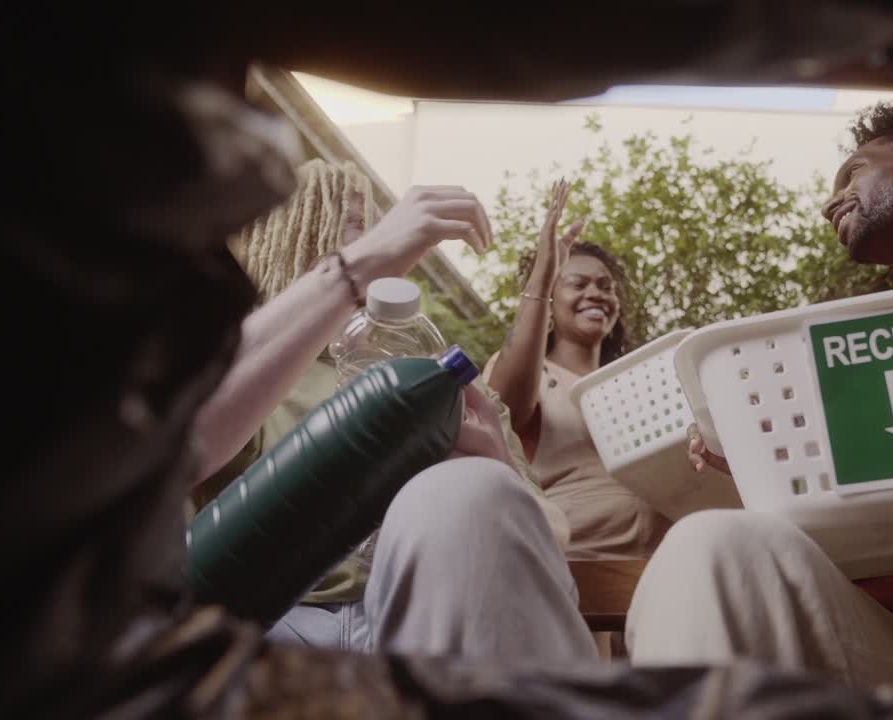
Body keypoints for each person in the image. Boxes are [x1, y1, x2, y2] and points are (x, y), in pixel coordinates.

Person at [627, 93, 893, 688]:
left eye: (853, 171)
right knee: (708, 544)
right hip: (876, 633)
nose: (830, 201)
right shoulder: (816, 351)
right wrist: (755, 460)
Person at [191, 158, 592, 661]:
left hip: (421, 615)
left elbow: (551, 535)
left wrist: (499, 469)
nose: (381, 234)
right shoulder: (239, 367)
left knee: (473, 489)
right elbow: (175, 452)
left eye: (381, 224)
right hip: (274, 619)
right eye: (358, 221)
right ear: (295, 231)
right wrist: (355, 270)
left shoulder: (442, 381)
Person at [486, 181, 671, 560]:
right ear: (550, 301)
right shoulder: (535, 373)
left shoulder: (637, 384)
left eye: (606, 286)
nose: (596, 294)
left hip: (661, 562)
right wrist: (542, 274)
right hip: (573, 564)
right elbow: (504, 411)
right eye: (578, 283)